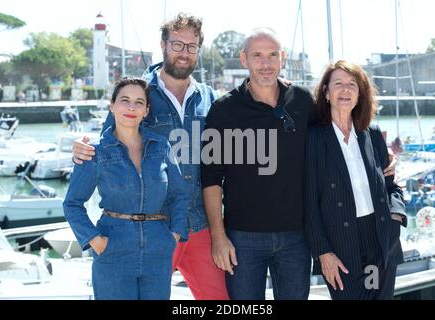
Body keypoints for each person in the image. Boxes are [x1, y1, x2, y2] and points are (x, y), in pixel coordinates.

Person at [71, 13, 229, 300]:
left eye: (192, 46)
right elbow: (109, 142)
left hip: (199, 224)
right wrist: (81, 147)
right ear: (163, 45)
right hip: (151, 229)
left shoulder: (209, 97)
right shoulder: (139, 92)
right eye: (177, 44)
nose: (184, 52)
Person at [200, 28, 316, 300]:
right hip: (242, 237)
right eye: (257, 56)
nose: (265, 63)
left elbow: (329, 146)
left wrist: (381, 156)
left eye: (272, 55)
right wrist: (218, 237)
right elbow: (211, 178)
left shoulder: (302, 101)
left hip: (296, 236)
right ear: (244, 59)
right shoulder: (224, 110)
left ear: (282, 58)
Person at [63, 78, 188, 300]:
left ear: (146, 110)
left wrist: (174, 235)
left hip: (157, 249)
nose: (131, 107)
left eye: (139, 102)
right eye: (125, 100)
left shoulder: (161, 146)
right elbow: (72, 204)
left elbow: (179, 195)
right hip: (112, 248)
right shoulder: (95, 152)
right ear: (112, 106)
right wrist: (95, 241)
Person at [304, 60, 407, 300]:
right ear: (327, 93)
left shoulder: (371, 133)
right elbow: (309, 202)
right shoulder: (314, 139)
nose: (345, 90)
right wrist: (323, 252)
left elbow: (391, 185)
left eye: (352, 84)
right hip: (341, 245)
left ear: (360, 94)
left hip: (380, 240)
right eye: (338, 83)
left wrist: (396, 216)